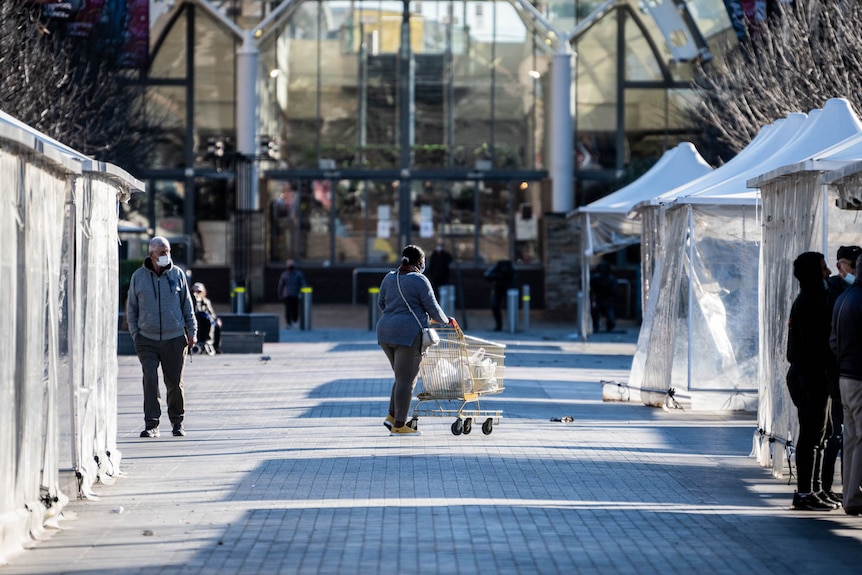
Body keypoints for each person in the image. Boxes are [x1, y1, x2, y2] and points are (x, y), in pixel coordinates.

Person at [377, 244, 456, 436]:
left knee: (400, 376)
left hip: (385, 332)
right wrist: (447, 321)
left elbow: (381, 303)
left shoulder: (389, 277)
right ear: (420, 262)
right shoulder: (420, 280)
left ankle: (391, 416)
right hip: (409, 334)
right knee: (407, 380)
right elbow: (433, 308)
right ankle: (399, 426)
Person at [126, 236, 197, 438]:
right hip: (146, 339)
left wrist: (192, 332)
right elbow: (131, 307)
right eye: (162, 253)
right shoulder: (138, 277)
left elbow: (187, 305)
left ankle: (177, 422)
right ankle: (151, 424)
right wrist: (135, 334)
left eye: (168, 251)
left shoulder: (177, 274)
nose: (167, 256)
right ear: (151, 255)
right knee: (149, 379)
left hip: (174, 338)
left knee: (174, 382)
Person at [786, 252, 837, 511]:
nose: (828, 272)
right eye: (824, 268)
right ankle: (805, 492)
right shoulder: (809, 302)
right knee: (811, 435)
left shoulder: (815, 299)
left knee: (822, 433)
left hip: (816, 376)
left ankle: (814, 489)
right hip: (808, 378)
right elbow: (813, 347)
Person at [823, 245, 861, 504]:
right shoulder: (845, 295)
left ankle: (848, 493)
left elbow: (833, 341)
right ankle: (852, 496)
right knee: (856, 438)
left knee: (848, 437)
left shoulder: (842, 298)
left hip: (844, 374)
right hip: (857, 374)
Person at [484, 259, 516, 331]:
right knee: (495, 306)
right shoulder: (497, 268)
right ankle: (499, 326)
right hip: (498, 289)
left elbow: (514, 278)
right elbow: (487, 275)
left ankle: (512, 326)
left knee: (511, 307)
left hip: (509, 290)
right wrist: (499, 276)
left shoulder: (511, 269)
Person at [192, 282, 222, 355]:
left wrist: (216, 319)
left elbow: (211, 313)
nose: (197, 293)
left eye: (199, 292)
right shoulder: (191, 300)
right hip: (196, 319)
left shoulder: (206, 301)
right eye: (195, 291)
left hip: (207, 319)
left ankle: (216, 346)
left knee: (216, 325)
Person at [277, 259, 307, 328]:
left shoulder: (298, 274)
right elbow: (281, 285)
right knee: (287, 309)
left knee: (295, 309)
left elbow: (303, 283)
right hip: (287, 295)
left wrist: (302, 292)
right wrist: (280, 294)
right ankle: (288, 323)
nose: (290, 266)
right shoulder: (284, 274)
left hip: (295, 294)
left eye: (291, 264)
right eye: (289, 264)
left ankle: (295, 321)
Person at [590, 261, 617, 333]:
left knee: (609, 313)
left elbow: (613, 291)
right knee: (595, 310)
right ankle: (595, 326)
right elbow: (591, 288)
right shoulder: (595, 279)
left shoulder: (611, 279)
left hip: (607, 300)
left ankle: (610, 326)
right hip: (598, 300)